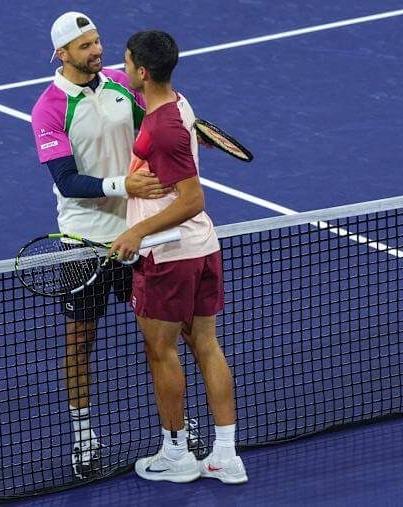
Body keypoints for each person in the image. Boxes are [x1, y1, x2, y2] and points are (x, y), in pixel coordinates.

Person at [30, 12, 175, 480]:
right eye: (85, 45)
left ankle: (176, 429)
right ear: (62, 54)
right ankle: (84, 434)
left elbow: (163, 116)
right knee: (79, 342)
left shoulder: (122, 82)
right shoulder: (49, 108)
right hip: (84, 245)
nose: (97, 50)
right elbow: (68, 181)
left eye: (97, 41)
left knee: (163, 339)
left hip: (139, 235)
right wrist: (126, 185)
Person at [108, 30, 248, 484]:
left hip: (168, 255)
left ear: (143, 72)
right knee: (205, 345)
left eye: (127, 62)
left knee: (161, 351)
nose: (122, 66)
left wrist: (136, 230)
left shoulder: (163, 128)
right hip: (202, 250)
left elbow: (192, 200)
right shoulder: (177, 103)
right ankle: (225, 455)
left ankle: (176, 453)